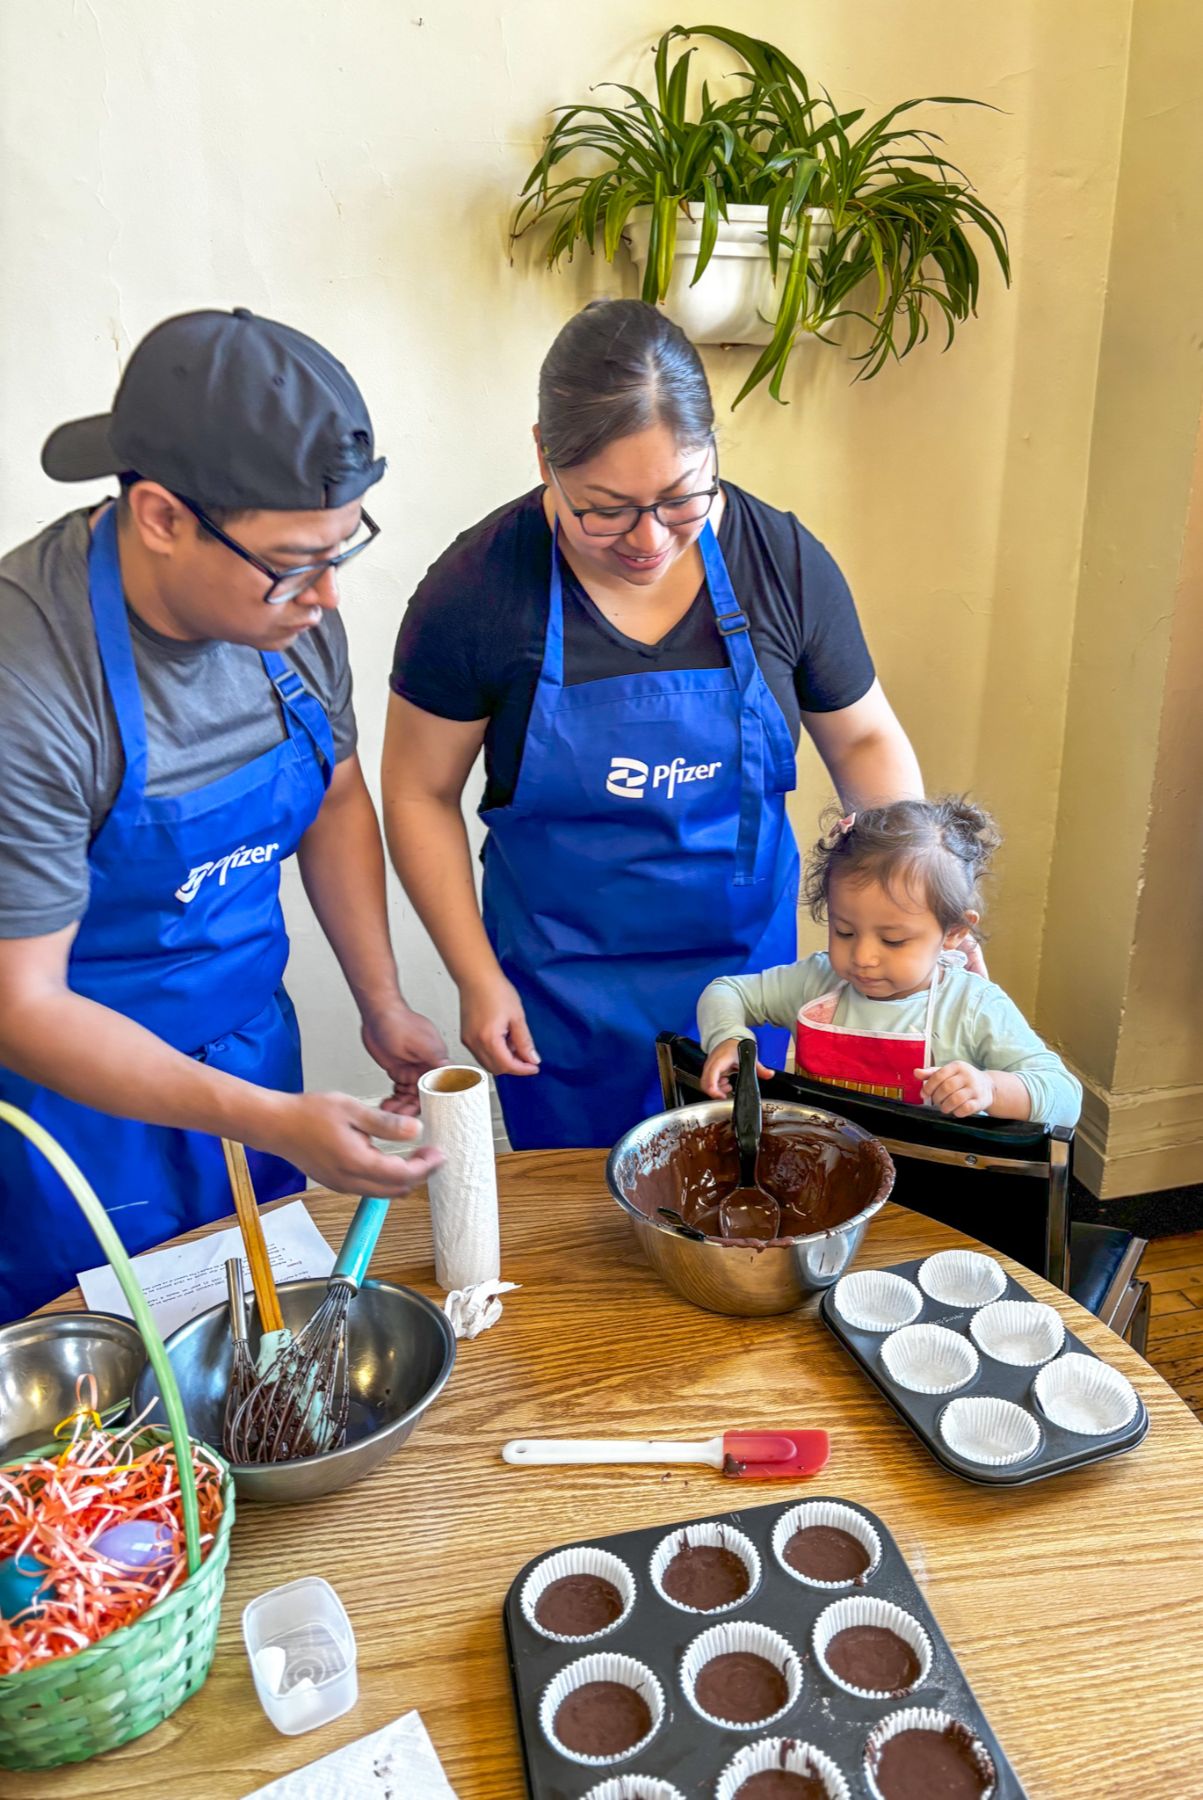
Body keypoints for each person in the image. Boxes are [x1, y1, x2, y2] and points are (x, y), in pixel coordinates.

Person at [383, 298, 923, 1151]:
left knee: (746, 1198)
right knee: (583, 1234)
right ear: (542, 458)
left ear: (713, 452)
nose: (647, 540)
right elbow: (417, 791)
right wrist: (474, 976)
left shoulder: (777, 562)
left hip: (748, 986)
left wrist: (910, 902)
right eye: (605, 508)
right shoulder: (476, 592)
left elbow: (860, 739)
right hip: (562, 998)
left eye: (680, 499)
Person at [0, 307, 447, 1321]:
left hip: (249, 1050)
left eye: (342, 552)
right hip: (70, 1117)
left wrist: (379, 1004)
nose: (327, 596)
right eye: (294, 560)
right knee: (109, 1422)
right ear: (160, 516)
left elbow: (333, 797)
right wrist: (271, 1121)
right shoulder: (30, 684)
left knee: (265, 1366)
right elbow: (20, 1003)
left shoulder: (287, 615)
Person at [699, 797, 1082, 1126]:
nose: (863, 957)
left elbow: (1065, 1098)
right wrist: (730, 1036)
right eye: (844, 932)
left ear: (954, 932)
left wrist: (991, 1088)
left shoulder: (972, 1007)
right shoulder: (816, 981)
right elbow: (725, 991)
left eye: (893, 940)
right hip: (824, 1166)